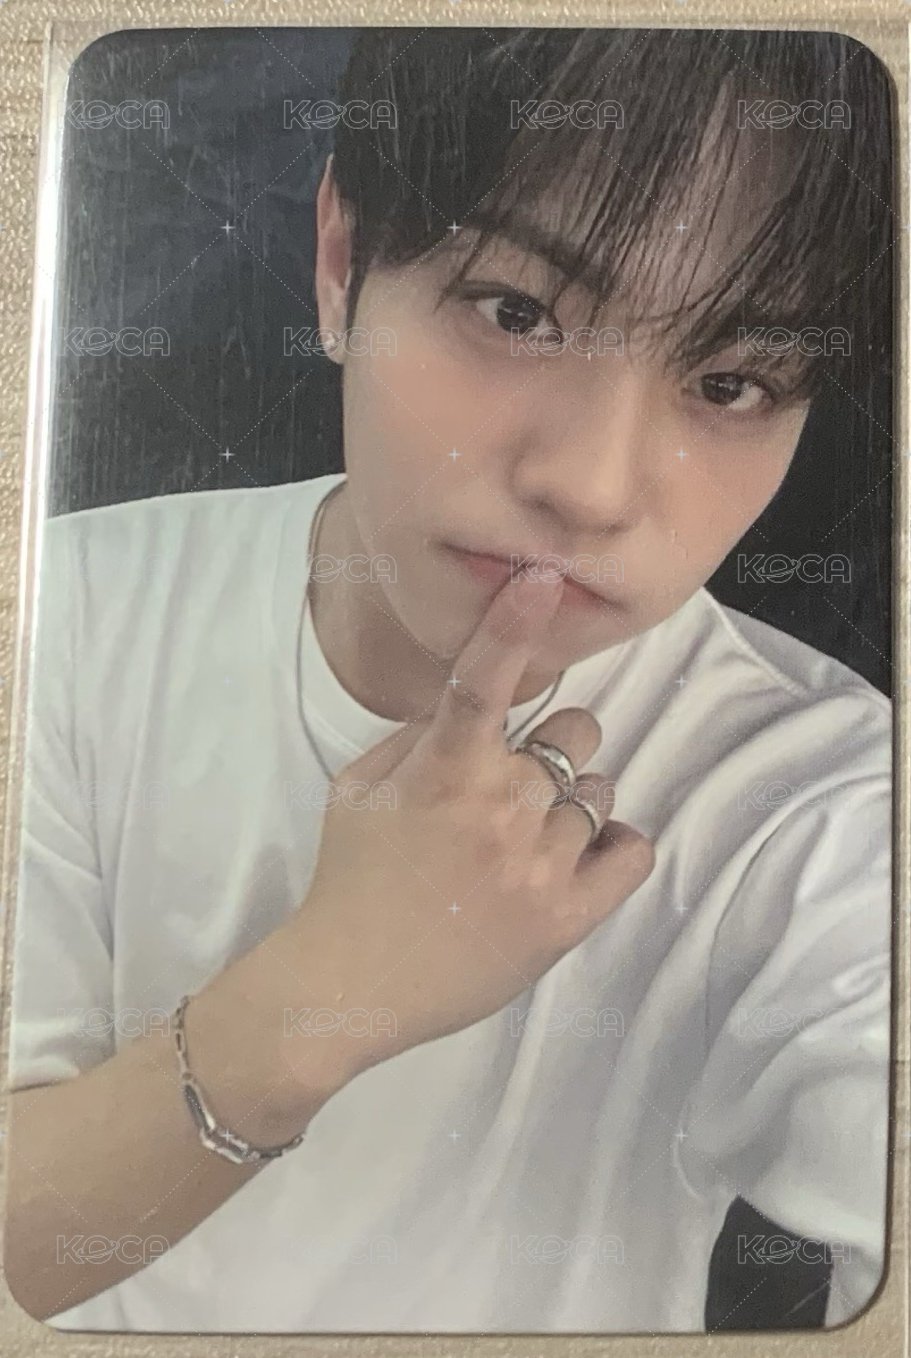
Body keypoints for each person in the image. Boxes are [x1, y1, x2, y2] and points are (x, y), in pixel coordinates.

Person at [5, 26, 893, 1334]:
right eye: (516, 311)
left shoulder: (828, 800)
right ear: (340, 263)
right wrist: (318, 998)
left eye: (731, 381)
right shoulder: (63, 615)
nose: (591, 486)